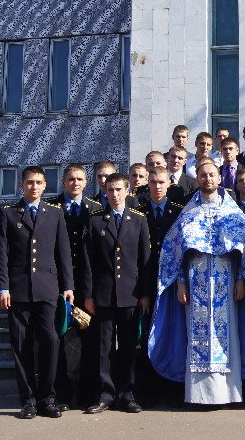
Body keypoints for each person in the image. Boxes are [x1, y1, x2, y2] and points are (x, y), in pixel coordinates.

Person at [149, 159, 245, 405]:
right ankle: (198, 395)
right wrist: (181, 282)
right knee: (197, 334)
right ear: (197, 179)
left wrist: (240, 280)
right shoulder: (188, 211)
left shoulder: (231, 210)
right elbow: (175, 250)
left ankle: (228, 393)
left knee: (227, 334)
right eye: (203, 175)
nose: (207, 179)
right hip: (195, 281)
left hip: (226, 278)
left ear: (219, 179)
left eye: (212, 175)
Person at [0, 166, 74, 419]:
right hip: (17, 291)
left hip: (48, 289)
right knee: (22, 345)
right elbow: (1, 255)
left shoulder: (55, 213)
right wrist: (2, 287)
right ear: (22, 185)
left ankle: (47, 397)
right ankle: (28, 399)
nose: (35, 187)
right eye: (30, 182)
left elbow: (63, 252)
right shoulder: (8, 214)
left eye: (39, 182)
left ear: (45, 185)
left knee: (50, 342)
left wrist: (68, 286)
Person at [81, 172, 150, 414]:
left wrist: (144, 293)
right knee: (104, 347)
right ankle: (105, 394)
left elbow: (145, 261)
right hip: (104, 294)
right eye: (110, 190)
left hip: (130, 294)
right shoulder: (95, 220)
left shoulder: (139, 220)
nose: (114, 194)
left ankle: (127, 393)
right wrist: (88, 295)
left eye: (119, 190)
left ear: (128, 190)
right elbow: (88, 261)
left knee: (130, 347)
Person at [46, 164, 104, 410]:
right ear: (63, 181)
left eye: (80, 179)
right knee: (56, 337)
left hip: (87, 285)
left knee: (90, 340)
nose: (75, 183)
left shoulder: (96, 209)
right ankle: (61, 392)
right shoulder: (50, 208)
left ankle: (88, 391)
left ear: (86, 181)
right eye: (71, 179)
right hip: (56, 283)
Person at [134, 167, 186, 407]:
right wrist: (144, 292)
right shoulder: (139, 213)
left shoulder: (179, 213)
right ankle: (148, 390)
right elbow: (138, 257)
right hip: (147, 284)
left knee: (172, 336)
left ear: (168, 185)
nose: (157, 186)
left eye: (161, 182)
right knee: (147, 338)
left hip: (173, 284)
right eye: (153, 182)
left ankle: (174, 388)